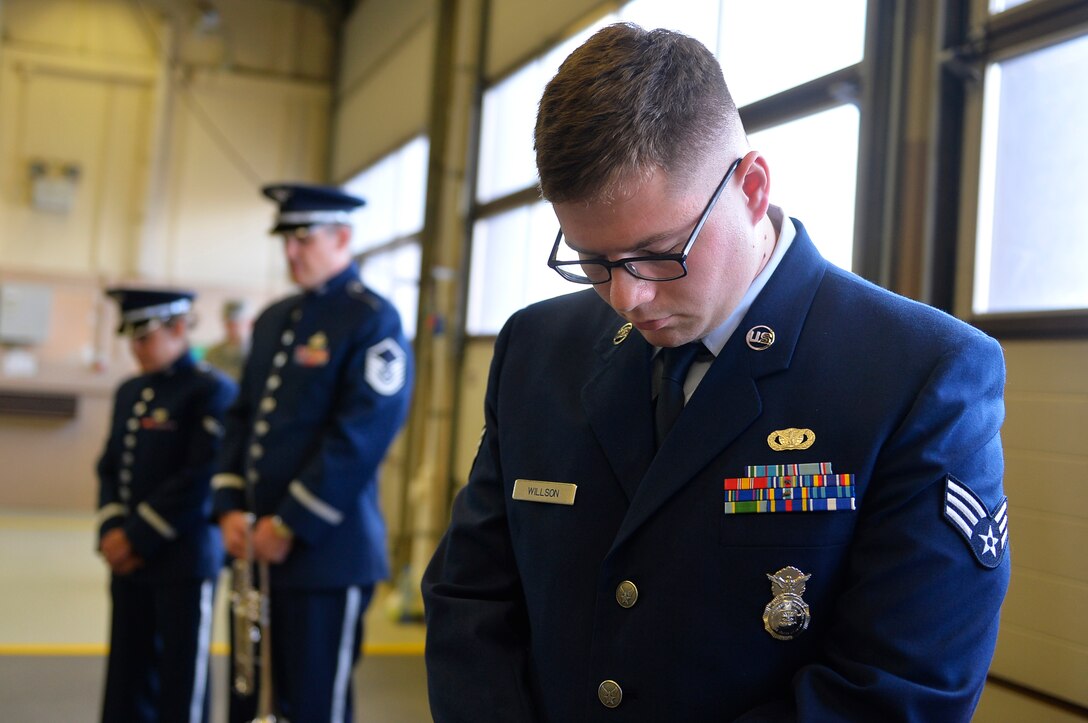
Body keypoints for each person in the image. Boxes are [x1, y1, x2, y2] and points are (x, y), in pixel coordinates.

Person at [422, 23, 1009, 722]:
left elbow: (899, 689)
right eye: (593, 260)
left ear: (752, 187)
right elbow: (472, 601)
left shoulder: (916, 376)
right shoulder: (539, 349)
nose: (625, 296)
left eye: (657, 252)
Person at [212, 183, 413, 723]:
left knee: (311, 704)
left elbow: (362, 435)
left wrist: (289, 525)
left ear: (342, 236)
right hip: (254, 546)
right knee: (251, 699)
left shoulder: (373, 320)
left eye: (303, 238)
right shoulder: (276, 319)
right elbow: (242, 417)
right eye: (286, 239)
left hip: (325, 552)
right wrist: (229, 505)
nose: (291, 252)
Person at [96, 287, 237, 723]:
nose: (135, 349)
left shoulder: (211, 391)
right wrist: (110, 530)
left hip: (184, 557)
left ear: (179, 328)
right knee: (126, 676)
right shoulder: (129, 391)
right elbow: (110, 466)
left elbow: (200, 476)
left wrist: (137, 536)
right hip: (130, 561)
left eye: (145, 336)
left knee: (180, 682)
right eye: (131, 338)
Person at [203, 298, 252, 381]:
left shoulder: (255, 352)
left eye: (237, 323)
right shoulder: (213, 353)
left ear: (248, 323)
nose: (232, 328)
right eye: (229, 323)